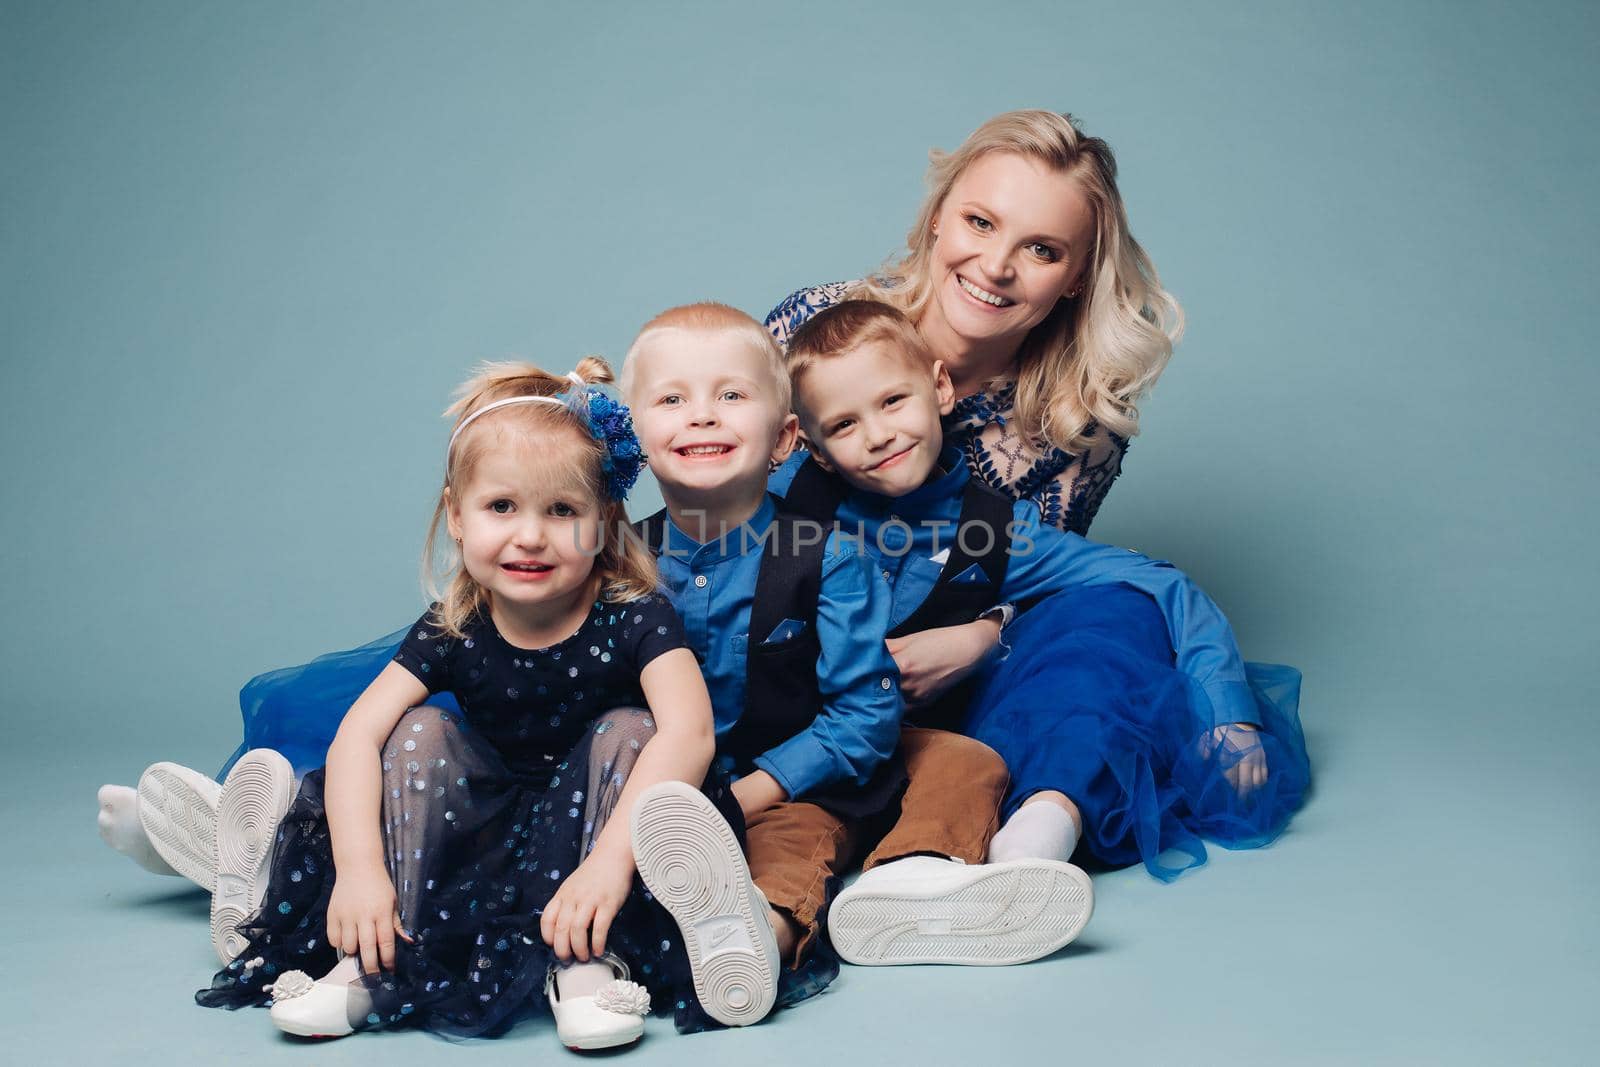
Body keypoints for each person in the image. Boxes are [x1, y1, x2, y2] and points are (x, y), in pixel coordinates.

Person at [189, 358, 772, 1047]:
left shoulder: (634, 613)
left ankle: (585, 960)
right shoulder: (453, 625)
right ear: (457, 517)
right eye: (502, 507)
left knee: (636, 728)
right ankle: (374, 960)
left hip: (596, 841)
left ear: (604, 524)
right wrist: (362, 871)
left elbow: (691, 731)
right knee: (417, 731)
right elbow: (355, 737)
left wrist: (610, 863)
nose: (530, 535)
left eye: (562, 510)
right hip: (477, 842)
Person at [621, 302, 1092, 969]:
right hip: (664, 794)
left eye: (729, 395)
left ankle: (903, 881)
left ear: (785, 440)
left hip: (800, 774)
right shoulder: (618, 565)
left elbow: (865, 713)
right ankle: (721, 928)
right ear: (632, 437)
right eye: (672, 399)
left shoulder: (831, 555)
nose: (702, 414)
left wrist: (756, 787)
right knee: (773, 840)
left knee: (951, 768)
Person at [778, 300, 1310, 880]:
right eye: (844, 425)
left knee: (1115, 613)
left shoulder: (996, 530)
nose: (879, 435)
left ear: (939, 389)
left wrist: (1228, 714)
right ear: (813, 448)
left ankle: (1038, 836)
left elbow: (1160, 583)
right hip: (806, 736)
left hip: (958, 741)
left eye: (892, 401)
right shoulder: (779, 502)